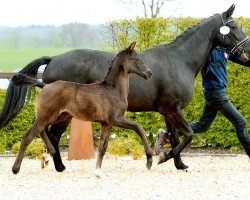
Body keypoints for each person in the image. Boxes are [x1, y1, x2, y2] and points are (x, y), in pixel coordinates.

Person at [155, 46, 250, 159]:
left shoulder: (225, 49)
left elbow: (242, 60)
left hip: (215, 94)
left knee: (203, 126)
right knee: (240, 122)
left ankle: (166, 134)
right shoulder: (206, 50)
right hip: (216, 94)